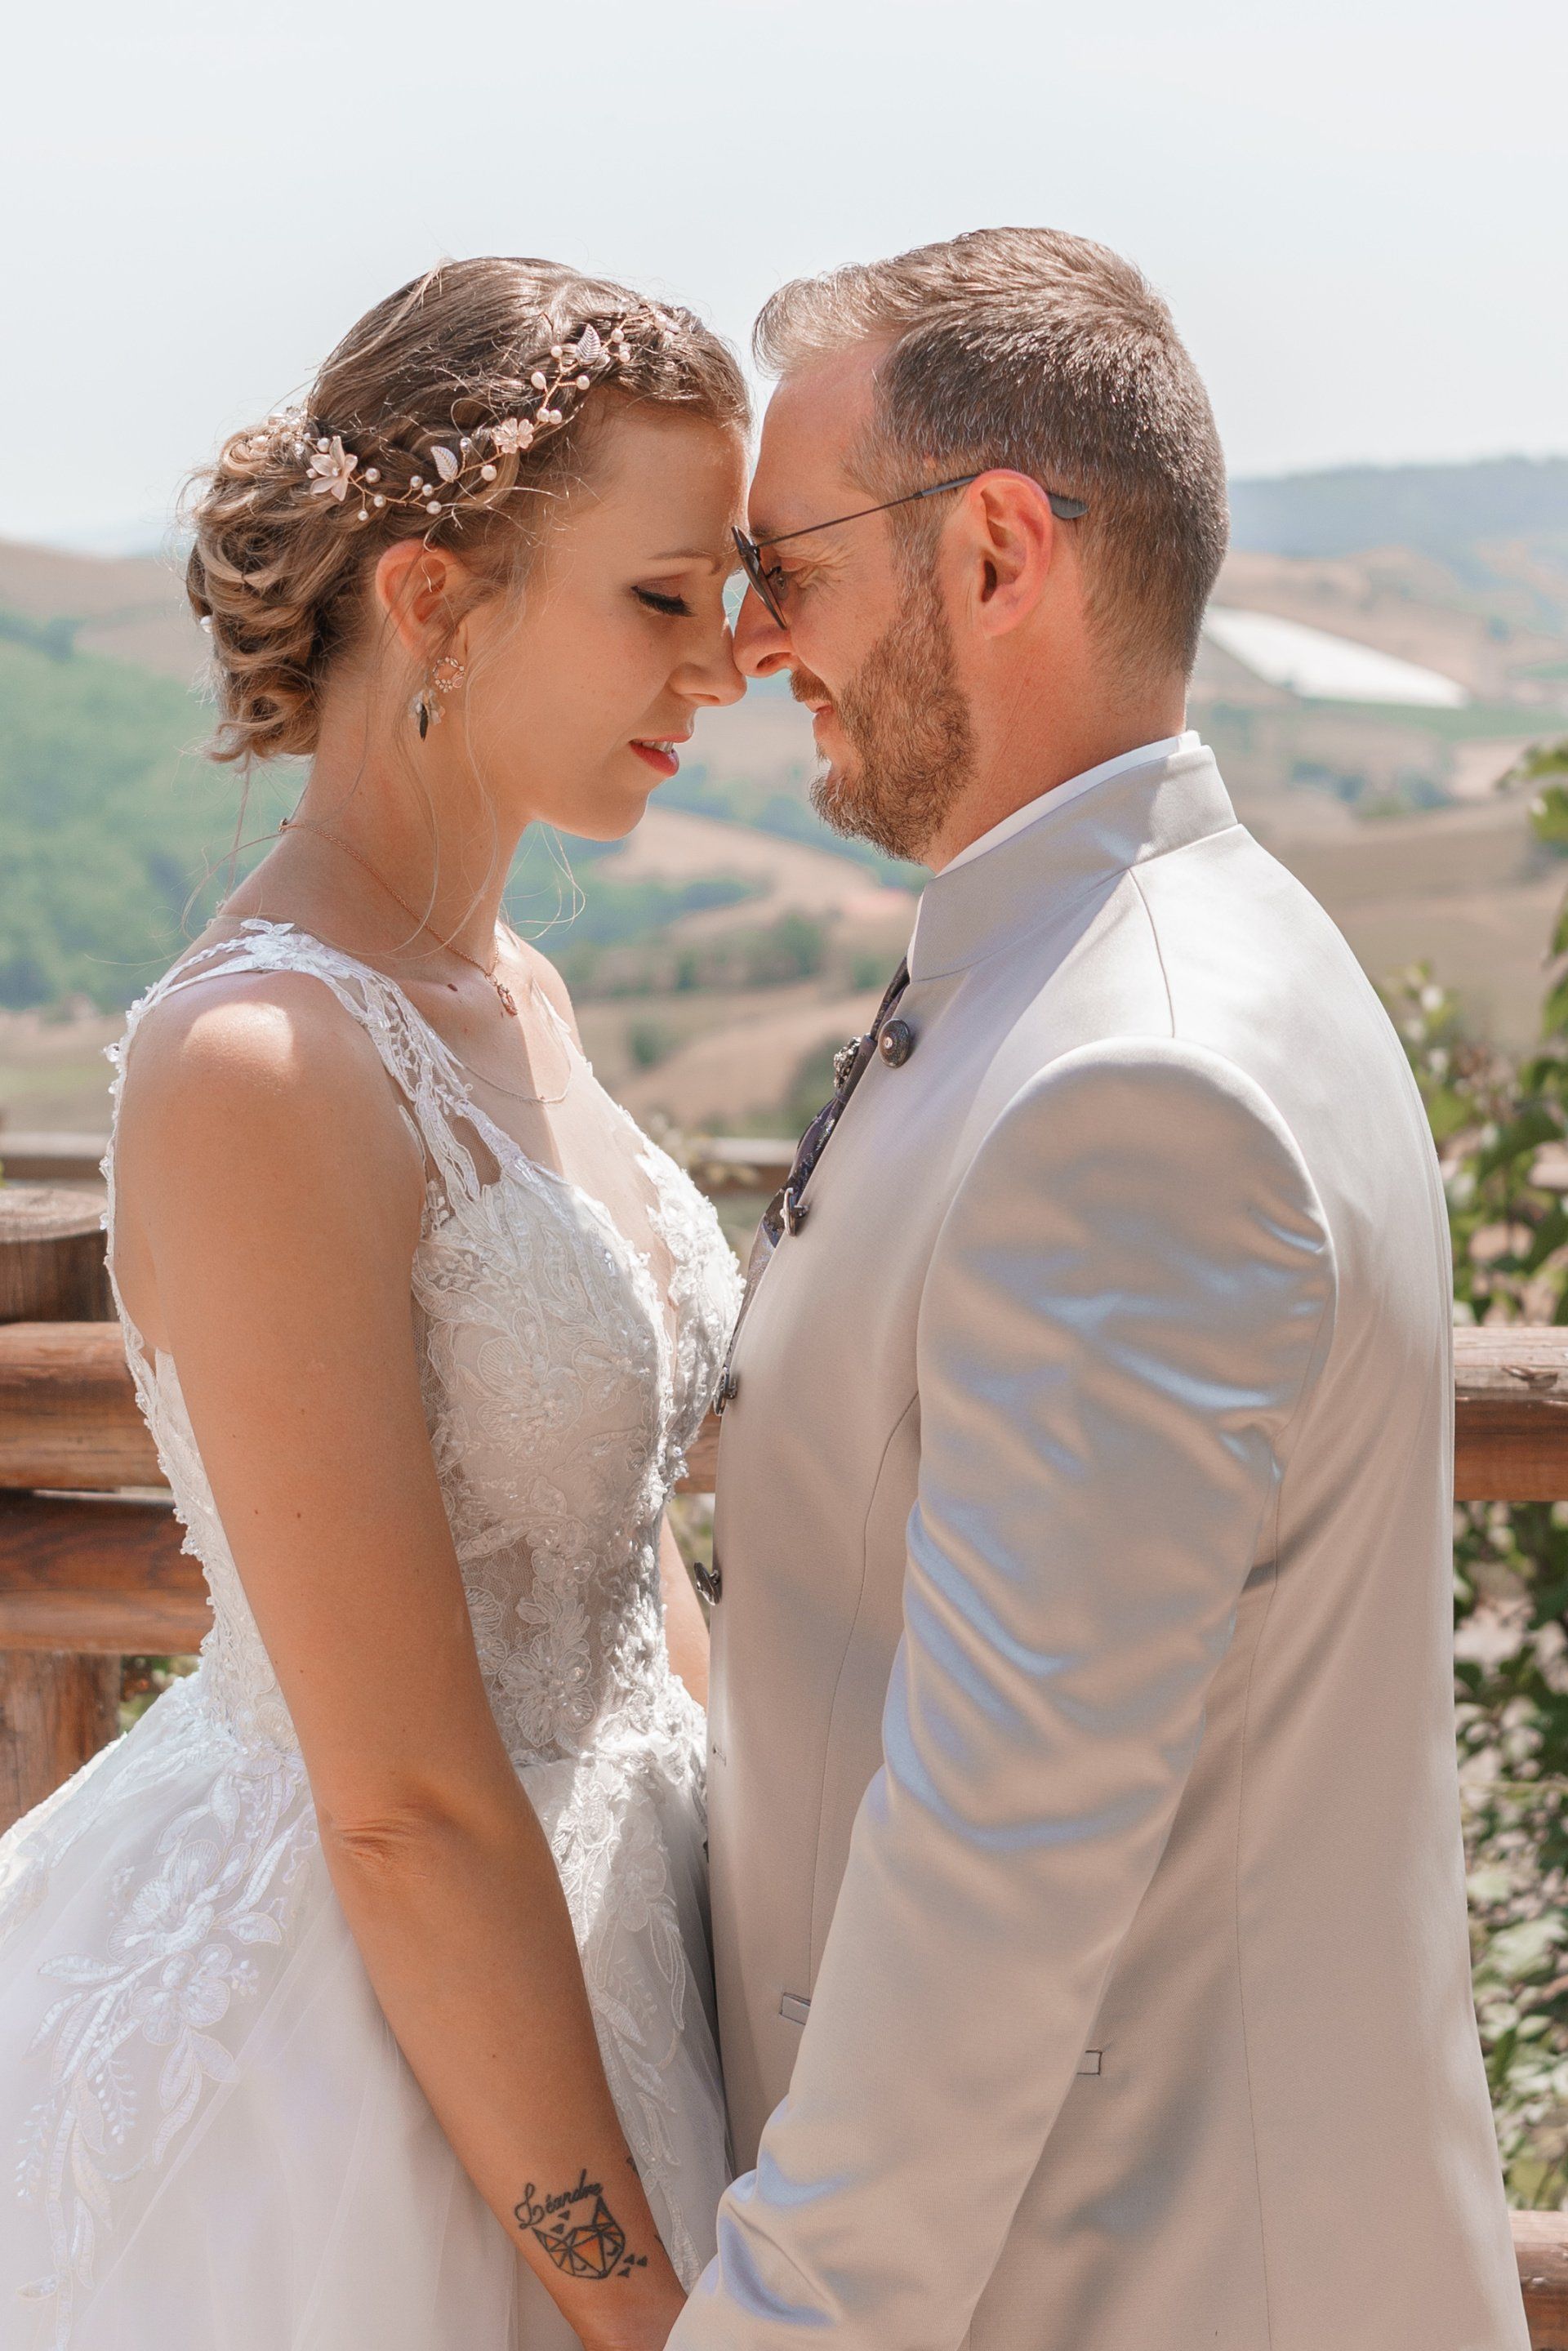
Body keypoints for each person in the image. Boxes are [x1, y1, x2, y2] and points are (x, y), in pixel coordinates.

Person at [671, 228, 1527, 2351]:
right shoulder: (1116, 964)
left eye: (787, 562)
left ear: (993, 554)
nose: (756, 637)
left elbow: (997, 1874)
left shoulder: (1133, 1079)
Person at [0, 256, 748, 2351]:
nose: (721, 670)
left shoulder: (522, 999)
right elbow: (404, 1803)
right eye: (661, 600)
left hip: (634, 1960)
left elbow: (610, 1557)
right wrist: (637, 2312)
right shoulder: (263, 1065)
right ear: (433, 598)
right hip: (365, 2062)